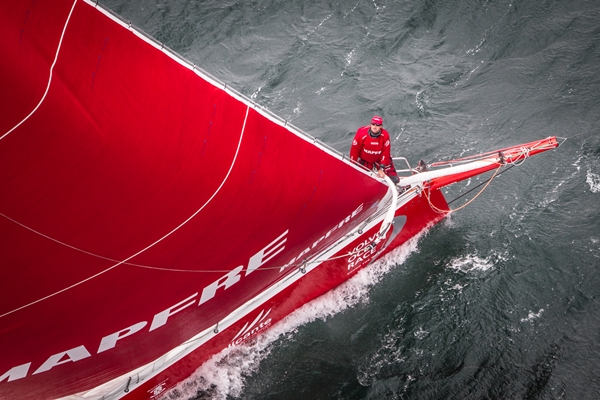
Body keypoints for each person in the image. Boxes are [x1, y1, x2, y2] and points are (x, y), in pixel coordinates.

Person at [350, 116, 399, 184]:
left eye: (377, 125)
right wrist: (352, 164)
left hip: (380, 160)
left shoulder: (385, 135)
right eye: (373, 124)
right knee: (358, 179)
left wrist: (381, 168)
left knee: (395, 179)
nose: (375, 127)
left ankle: (394, 187)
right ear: (370, 124)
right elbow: (354, 150)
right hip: (366, 161)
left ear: (381, 126)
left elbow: (386, 152)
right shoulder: (361, 133)